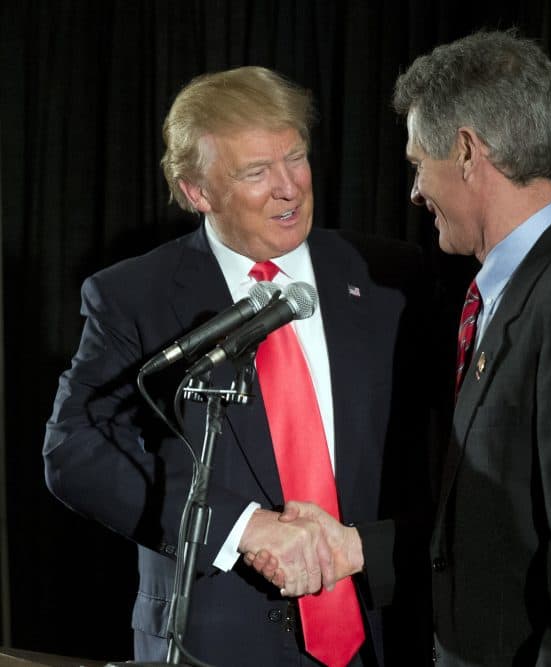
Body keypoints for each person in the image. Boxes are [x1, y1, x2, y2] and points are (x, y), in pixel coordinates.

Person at [256, 30, 551, 664]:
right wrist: (355, 548)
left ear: (466, 152)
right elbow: (503, 526)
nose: (414, 192)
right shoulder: (514, 296)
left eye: (418, 164)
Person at [43, 66, 429, 667]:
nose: (289, 188)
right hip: (213, 639)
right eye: (256, 172)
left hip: (379, 632)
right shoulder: (136, 296)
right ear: (198, 191)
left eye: (295, 158)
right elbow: (74, 450)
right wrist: (241, 527)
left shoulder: (390, 277)